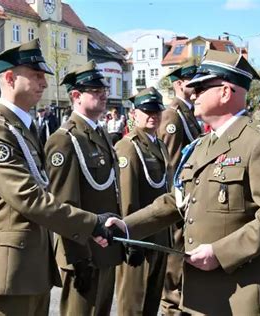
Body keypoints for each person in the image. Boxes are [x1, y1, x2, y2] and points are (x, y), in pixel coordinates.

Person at [103, 50, 260, 315]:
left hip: (242, 294)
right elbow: (178, 200)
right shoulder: (202, 144)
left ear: (225, 92)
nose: (192, 92)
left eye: (201, 86)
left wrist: (220, 253)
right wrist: (127, 227)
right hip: (200, 292)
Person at [0, 39, 118, 316]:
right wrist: (90, 224)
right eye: (37, 76)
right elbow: (28, 198)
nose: (44, 84)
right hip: (8, 273)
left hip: (30, 268)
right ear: (10, 78)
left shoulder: (23, 128)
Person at [45, 60, 125, 316]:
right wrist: (79, 257)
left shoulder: (99, 134)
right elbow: (63, 204)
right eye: (95, 91)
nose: (104, 94)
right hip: (85, 252)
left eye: (104, 90)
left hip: (107, 246)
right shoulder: (64, 140)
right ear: (76, 96)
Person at [114, 87, 170, 316]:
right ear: (134, 113)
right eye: (146, 111)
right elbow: (127, 198)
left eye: (156, 111)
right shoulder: (128, 146)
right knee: (133, 304)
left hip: (159, 235)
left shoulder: (159, 144)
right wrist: (130, 240)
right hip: (139, 239)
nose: (152, 116)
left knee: (152, 301)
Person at [157, 57, 202, 315]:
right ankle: (172, 305)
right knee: (176, 250)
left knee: (184, 248)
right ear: (179, 83)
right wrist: (179, 198)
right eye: (192, 82)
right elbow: (173, 163)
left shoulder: (188, 112)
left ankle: (181, 298)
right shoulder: (173, 114)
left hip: (191, 194)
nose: (197, 87)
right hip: (181, 196)